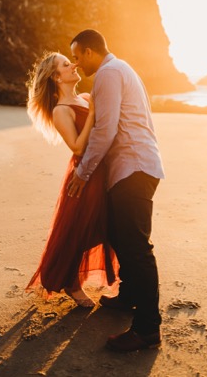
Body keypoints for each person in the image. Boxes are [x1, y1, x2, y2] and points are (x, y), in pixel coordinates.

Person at [66, 29, 166, 352]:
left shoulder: (108, 74)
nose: (76, 63)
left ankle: (148, 329)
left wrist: (83, 172)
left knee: (136, 247)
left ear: (92, 51)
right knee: (118, 234)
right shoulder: (121, 69)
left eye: (78, 55)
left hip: (134, 167)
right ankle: (130, 296)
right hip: (135, 167)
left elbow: (105, 129)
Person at [25, 52, 119, 308]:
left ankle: (121, 283)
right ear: (56, 77)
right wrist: (92, 115)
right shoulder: (61, 110)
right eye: (66, 65)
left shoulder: (87, 98)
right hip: (83, 175)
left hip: (103, 170)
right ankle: (70, 282)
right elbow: (77, 147)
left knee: (105, 226)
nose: (74, 65)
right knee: (79, 229)